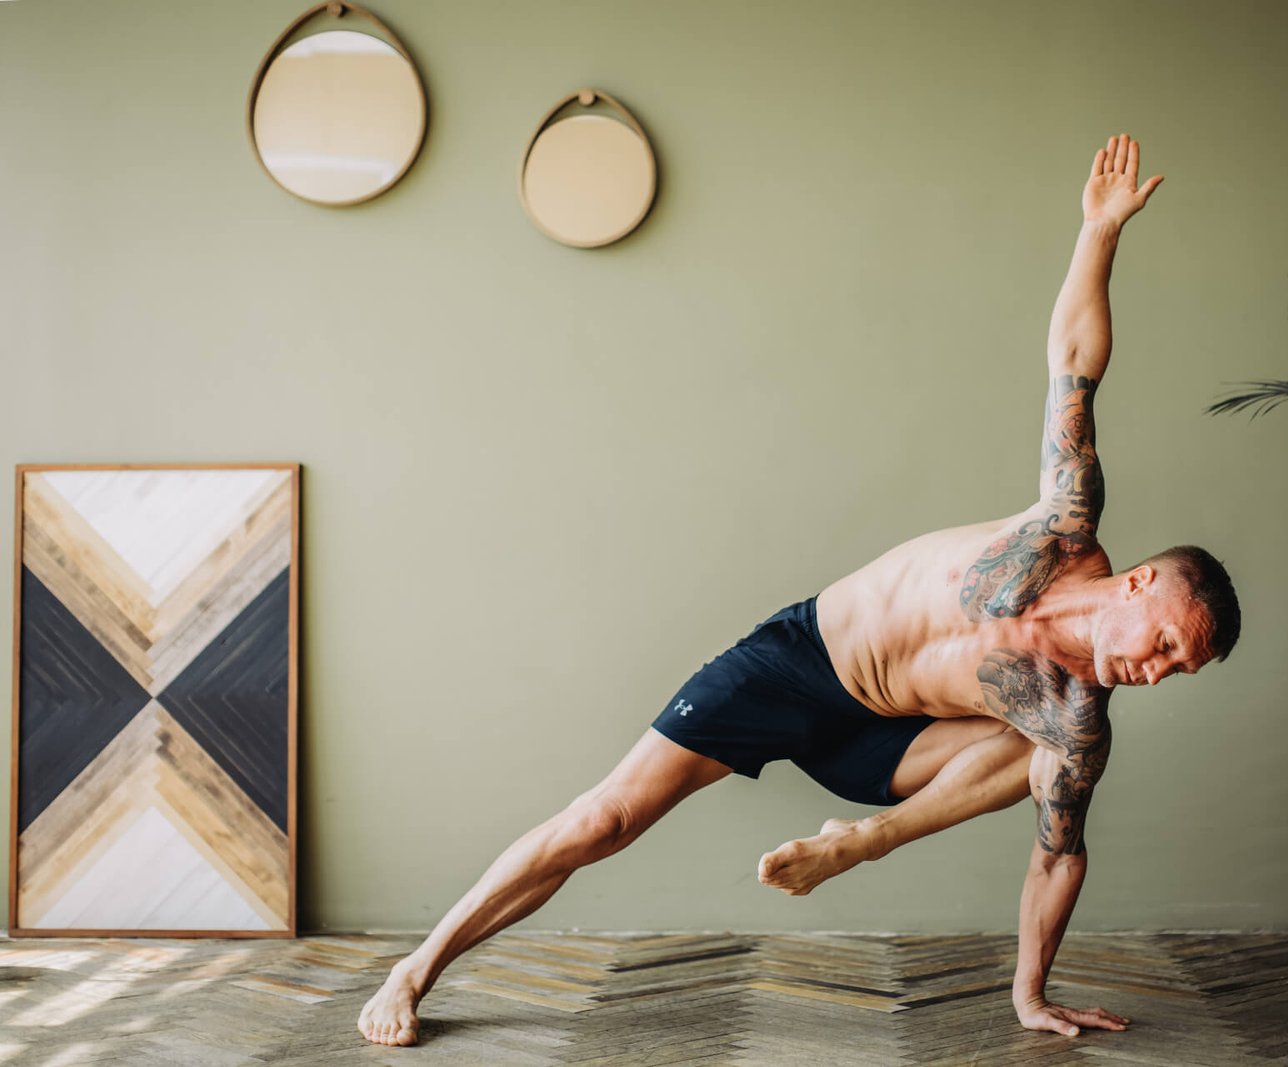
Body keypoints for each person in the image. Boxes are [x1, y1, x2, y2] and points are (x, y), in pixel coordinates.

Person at [359, 133, 1240, 1047]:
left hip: (888, 749)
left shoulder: (1077, 712)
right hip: (804, 662)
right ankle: (414, 968)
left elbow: (1059, 859)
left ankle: (859, 841)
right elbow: (1074, 362)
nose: (1158, 671)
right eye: (1167, 643)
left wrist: (1030, 996)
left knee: (1049, 750)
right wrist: (1099, 232)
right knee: (605, 819)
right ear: (1139, 584)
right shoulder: (1060, 527)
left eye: (1177, 669)